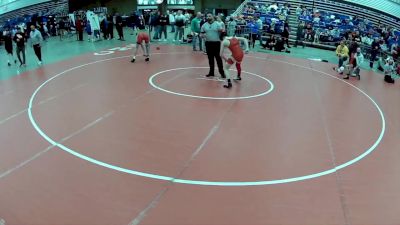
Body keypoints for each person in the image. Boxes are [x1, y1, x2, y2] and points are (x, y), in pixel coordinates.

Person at [200, 13, 225, 78]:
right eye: (207, 16)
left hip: (216, 43)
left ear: (213, 17)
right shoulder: (204, 25)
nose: (208, 17)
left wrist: (221, 34)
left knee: (218, 59)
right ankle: (211, 73)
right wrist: (202, 35)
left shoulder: (217, 24)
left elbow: (223, 31)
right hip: (208, 43)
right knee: (210, 59)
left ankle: (222, 73)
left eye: (209, 16)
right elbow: (201, 34)